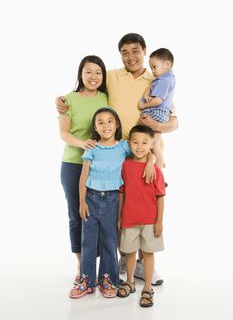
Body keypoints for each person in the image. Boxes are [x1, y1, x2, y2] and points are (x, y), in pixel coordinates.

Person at [56, 33, 178, 286]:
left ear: (145, 51)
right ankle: (115, 263)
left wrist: (156, 127)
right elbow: (89, 83)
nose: (131, 57)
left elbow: (175, 121)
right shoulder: (111, 76)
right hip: (116, 156)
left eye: (136, 51)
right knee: (120, 210)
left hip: (147, 156)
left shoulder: (156, 80)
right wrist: (61, 102)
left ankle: (144, 264)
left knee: (144, 209)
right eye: (125, 52)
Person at [68, 108, 156, 299]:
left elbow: (146, 151)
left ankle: (108, 279)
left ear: (116, 124)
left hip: (113, 199)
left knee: (110, 240)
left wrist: (152, 161)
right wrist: (82, 202)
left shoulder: (124, 146)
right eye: (100, 122)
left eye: (110, 121)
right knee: (88, 241)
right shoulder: (91, 148)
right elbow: (83, 177)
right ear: (95, 127)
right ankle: (87, 281)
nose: (106, 125)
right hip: (91, 198)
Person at [59, 55, 108, 287]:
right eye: (88, 72)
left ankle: (99, 267)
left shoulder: (107, 98)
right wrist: (83, 144)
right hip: (73, 164)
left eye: (98, 72)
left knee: (99, 216)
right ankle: (81, 265)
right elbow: (64, 134)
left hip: (101, 167)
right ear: (80, 73)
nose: (93, 77)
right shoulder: (68, 100)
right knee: (77, 215)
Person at [117, 125, 165, 308]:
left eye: (144, 143)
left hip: (150, 220)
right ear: (129, 144)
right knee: (129, 253)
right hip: (129, 218)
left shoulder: (156, 170)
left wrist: (159, 221)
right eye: (135, 142)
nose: (139, 146)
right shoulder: (125, 166)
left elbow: (160, 196)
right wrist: (120, 215)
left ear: (152, 144)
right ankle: (129, 282)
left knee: (147, 253)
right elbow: (121, 192)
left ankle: (147, 288)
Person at [138, 48, 176, 169]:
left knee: (150, 141)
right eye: (151, 68)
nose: (152, 71)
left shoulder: (164, 81)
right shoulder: (162, 80)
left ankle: (158, 170)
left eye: (154, 67)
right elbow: (151, 86)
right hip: (160, 112)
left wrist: (144, 105)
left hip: (157, 112)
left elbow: (158, 100)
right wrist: (146, 93)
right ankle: (157, 168)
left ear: (167, 65)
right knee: (153, 143)